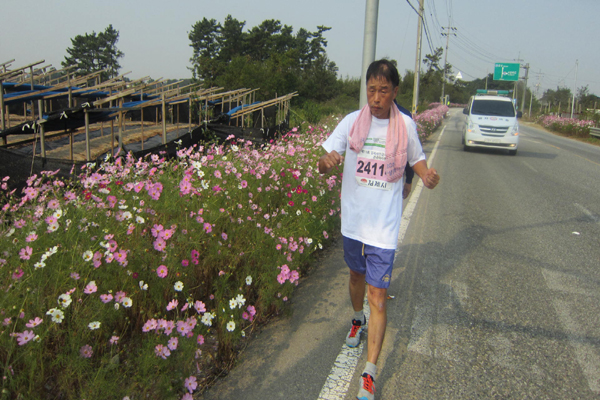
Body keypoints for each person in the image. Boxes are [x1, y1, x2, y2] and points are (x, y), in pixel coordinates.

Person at [318, 59, 440, 400]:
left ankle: (369, 372)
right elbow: (326, 155)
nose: (375, 97)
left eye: (383, 90)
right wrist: (326, 163)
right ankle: (356, 320)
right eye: (371, 90)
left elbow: (418, 162)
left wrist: (426, 176)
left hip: (384, 229)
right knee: (356, 279)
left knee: (378, 297)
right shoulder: (352, 122)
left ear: (395, 92)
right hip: (354, 223)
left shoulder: (405, 125)